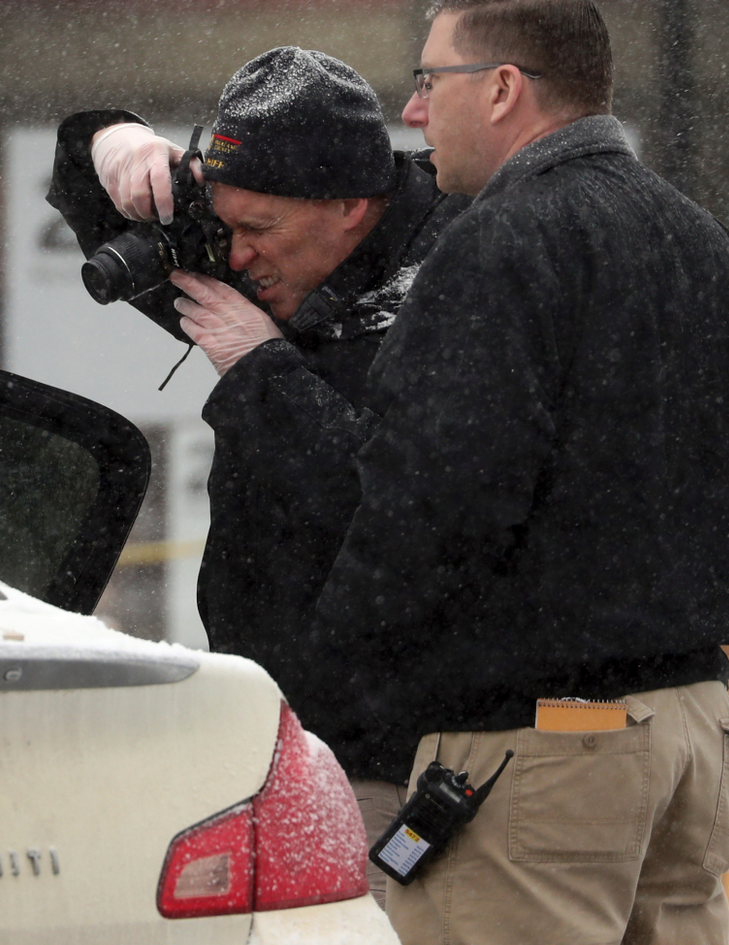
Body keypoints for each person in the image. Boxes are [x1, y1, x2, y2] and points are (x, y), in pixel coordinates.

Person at [171, 0, 729, 945]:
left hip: (536, 750)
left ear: (502, 87)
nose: (413, 113)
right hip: (696, 735)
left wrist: (327, 691)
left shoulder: (495, 245)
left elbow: (429, 510)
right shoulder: (698, 237)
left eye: (430, 82)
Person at [48, 52, 466, 899]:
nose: (233, 259)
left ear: (351, 207)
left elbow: (394, 507)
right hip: (271, 731)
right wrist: (111, 143)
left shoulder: (463, 273)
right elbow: (107, 216)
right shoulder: (258, 261)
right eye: (223, 227)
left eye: (258, 231)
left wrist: (264, 371)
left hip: (398, 755)